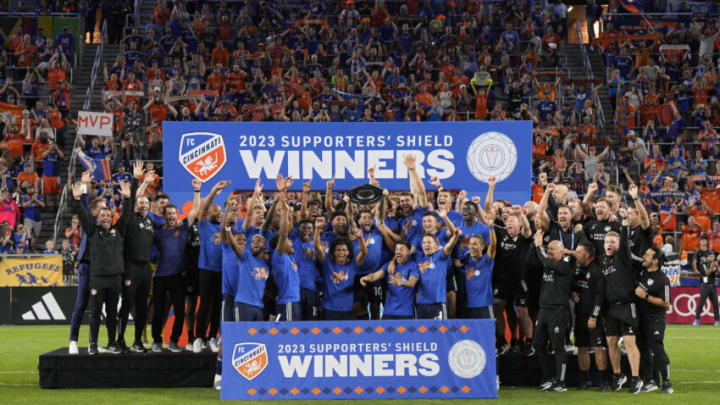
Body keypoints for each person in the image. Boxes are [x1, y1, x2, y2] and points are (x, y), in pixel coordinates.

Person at [71, 179, 132, 355]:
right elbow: (82, 215)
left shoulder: (118, 231)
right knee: (95, 312)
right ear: (97, 218)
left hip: (115, 279)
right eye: (102, 216)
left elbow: (126, 216)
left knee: (113, 313)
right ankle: (93, 344)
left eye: (108, 216)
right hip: (97, 278)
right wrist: (76, 200)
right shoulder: (92, 231)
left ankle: (112, 343)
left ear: (112, 218)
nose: (106, 218)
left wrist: (127, 198)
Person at [151, 179, 200, 352]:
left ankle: (173, 341)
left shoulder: (184, 227)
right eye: (168, 214)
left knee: (180, 312)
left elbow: (195, 210)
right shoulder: (157, 232)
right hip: (160, 277)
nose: (171, 216)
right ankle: (156, 341)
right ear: (164, 215)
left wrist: (196, 190)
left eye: (174, 213)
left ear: (177, 214)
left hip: (178, 277)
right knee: (158, 312)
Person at [116, 162, 156, 353]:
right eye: (142, 202)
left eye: (147, 203)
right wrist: (139, 181)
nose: (144, 204)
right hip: (131, 266)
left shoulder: (149, 221)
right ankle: (120, 339)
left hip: (145, 269)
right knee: (127, 305)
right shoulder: (131, 217)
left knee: (142, 307)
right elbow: (132, 200)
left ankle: (137, 342)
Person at [600, 228, 644, 393]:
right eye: (606, 242)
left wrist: (625, 224)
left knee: (629, 342)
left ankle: (635, 378)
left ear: (619, 245)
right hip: (611, 308)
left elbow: (625, 240)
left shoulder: (623, 256)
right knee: (611, 342)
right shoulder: (603, 260)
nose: (608, 244)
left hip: (627, 306)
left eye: (612, 242)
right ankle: (618, 375)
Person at [533, 232, 575, 392]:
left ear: (562, 251)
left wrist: (539, 246)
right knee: (538, 345)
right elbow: (535, 259)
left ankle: (561, 382)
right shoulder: (548, 263)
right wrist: (535, 245)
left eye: (552, 249)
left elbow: (546, 261)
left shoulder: (566, 264)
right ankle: (549, 377)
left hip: (558, 311)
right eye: (547, 248)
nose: (549, 252)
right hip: (544, 310)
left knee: (558, 346)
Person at [193, 180, 229, 353]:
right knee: (205, 304)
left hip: (222, 272)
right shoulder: (204, 224)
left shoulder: (224, 228)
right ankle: (198, 338)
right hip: (206, 270)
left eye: (221, 211)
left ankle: (213, 337)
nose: (220, 213)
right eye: (217, 211)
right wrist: (215, 189)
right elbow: (204, 206)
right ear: (209, 214)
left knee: (217, 307)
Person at [568, 242, 609, 391]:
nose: (575, 254)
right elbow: (572, 287)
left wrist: (594, 316)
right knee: (581, 348)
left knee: (598, 347)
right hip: (579, 316)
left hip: (593, 317)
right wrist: (571, 293)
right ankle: (585, 379)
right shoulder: (578, 269)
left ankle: (603, 381)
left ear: (587, 255)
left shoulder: (597, 271)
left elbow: (600, 297)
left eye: (578, 252)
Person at [314, 216, 368, 320]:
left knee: (345, 336)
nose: (341, 253)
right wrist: (316, 229)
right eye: (338, 250)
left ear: (348, 252)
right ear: (333, 252)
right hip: (328, 309)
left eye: (344, 250)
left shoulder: (352, 265)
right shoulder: (327, 263)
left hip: (346, 310)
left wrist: (361, 238)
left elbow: (364, 253)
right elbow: (316, 247)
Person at [636, 247, 673, 394]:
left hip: (655, 319)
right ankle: (650, 380)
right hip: (641, 318)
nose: (644, 256)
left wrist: (646, 296)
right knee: (643, 349)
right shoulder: (642, 273)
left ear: (655, 260)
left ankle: (667, 384)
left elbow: (666, 302)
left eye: (647, 255)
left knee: (657, 349)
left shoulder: (662, 279)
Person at [360, 239, 419, 319]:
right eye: (396, 249)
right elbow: (376, 275)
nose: (398, 251)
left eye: (401, 249)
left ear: (408, 252)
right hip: (388, 312)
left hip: (406, 313)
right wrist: (365, 278)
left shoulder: (413, 266)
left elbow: (412, 282)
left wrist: (401, 282)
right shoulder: (389, 266)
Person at [416, 228, 461, 319]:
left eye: (429, 242)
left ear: (436, 244)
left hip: (437, 304)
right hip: (421, 305)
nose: (426, 245)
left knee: (439, 333)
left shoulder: (440, 256)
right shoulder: (419, 261)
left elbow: (449, 246)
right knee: (422, 333)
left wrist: (455, 236)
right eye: (424, 243)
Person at [464, 231, 497, 319]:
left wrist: (491, 227)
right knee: (472, 332)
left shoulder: (487, 260)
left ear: (482, 247)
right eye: (470, 244)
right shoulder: (466, 261)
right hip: (470, 306)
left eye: (475, 244)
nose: (471, 247)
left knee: (488, 331)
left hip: (485, 304)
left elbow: (493, 245)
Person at [694, 251, 720, 326]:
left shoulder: (714, 264)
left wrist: (717, 267)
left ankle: (717, 321)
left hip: (713, 286)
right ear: (706, 257)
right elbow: (706, 273)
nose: (712, 258)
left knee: (715, 304)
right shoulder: (702, 264)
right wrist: (713, 267)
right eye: (710, 256)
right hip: (705, 286)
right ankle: (696, 320)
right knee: (701, 303)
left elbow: (718, 275)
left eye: (713, 256)